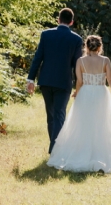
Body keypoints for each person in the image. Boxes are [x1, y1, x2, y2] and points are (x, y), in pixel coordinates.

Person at [47, 35, 111, 173]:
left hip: (85, 94)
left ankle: (81, 152)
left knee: (83, 123)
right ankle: (102, 153)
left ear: (86, 46)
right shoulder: (105, 60)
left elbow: (79, 81)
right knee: (102, 123)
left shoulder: (80, 61)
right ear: (100, 47)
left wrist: (77, 93)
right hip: (101, 94)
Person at [27, 8, 84, 153]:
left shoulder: (46, 35)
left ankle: (54, 147)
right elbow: (77, 64)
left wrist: (30, 79)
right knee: (59, 114)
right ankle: (56, 148)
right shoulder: (77, 39)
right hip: (64, 81)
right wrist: (80, 85)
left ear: (58, 19)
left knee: (51, 115)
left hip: (46, 80)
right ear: (71, 22)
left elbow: (38, 58)